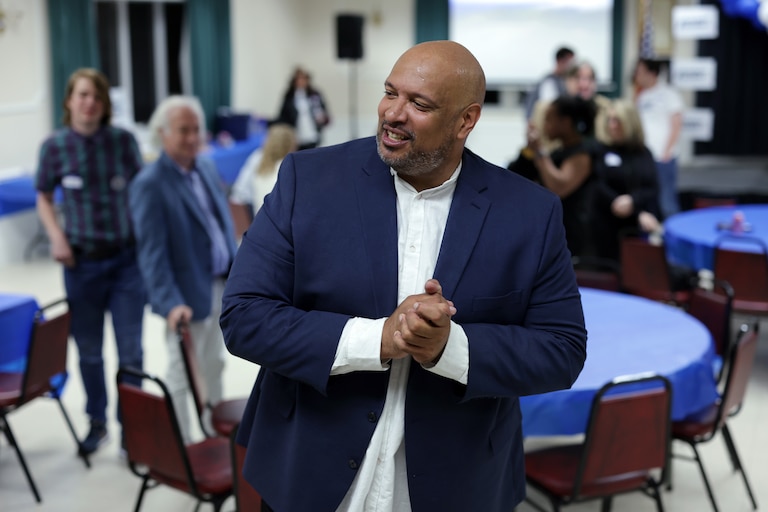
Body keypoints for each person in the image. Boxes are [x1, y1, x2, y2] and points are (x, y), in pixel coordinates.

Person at [220, 41, 587, 512]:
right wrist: (378, 340)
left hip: (458, 484)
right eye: (390, 92)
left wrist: (449, 348)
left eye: (419, 104)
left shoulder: (529, 213)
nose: (393, 113)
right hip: (307, 472)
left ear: (465, 121)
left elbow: (562, 348)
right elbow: (244, 316)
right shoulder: (306, 181)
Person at [35, 67, 145, 456]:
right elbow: (43, 196)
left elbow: (142, 190)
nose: (90, 102)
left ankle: (134, 430)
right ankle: (97, 423)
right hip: (80, 266)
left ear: (104, 105)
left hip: (127, 263)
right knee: (90, 352)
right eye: (83, 95)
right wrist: (56, 236)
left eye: (97, 97)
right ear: (69, 101)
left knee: (131, 352)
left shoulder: (123, 142)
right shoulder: (54, 147)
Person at [128, 95, 237, 442]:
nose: (192, 138)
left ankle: (214, 435)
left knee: (214, 363)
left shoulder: (204, 166)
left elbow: (219, 223)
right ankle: (182, 448)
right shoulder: (150, 184)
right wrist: (170, 303)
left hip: (220, 285)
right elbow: (151, 255)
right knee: (182, 373)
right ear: (162, 133)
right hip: (186, 297)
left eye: (196, 130)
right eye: (183, 131)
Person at [520, 95, 598, 259]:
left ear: (566, 122)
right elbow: (519, 175)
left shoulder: (583, 153)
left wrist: (540, 152)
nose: (545, 126)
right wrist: (529, 150)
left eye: (549, 119)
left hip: (576, 239)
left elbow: (558, 187)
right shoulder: (557, 154)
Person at [592, 99, 662, 262]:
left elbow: (652, 187)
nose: (612, 125)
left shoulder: (644, 153)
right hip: (608, 226)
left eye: (617, 120)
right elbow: (599, 184)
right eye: (610, 120)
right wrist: (634, 212)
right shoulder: (601, 150)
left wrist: (632, 201)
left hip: (639, 227)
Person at [633, 58, 684, 219]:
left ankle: (672, 238)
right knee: (648, 201)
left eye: (640, 71)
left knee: (667, 201)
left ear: (652, 73)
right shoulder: (641, 96)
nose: (637, 75)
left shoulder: (669, 94)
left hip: (663, 158)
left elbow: (676, 124)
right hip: (644, 157)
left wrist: (666, 152)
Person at [228, 123, 297, 237]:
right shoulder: (290, 168)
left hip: (259, 225)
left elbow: (239, 192)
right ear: (290, 145)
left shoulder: (256, 159)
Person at [275, 67, 330, 150]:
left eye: (303, 79)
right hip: (297, 136)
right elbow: (283, 116)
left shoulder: (314, 94)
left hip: (312, 134)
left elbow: (322, 111)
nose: (301, 81)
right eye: (298, 79)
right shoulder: (289, 96)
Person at [524, 46, 575, 121]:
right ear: (560, 61)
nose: (573, 66)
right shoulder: (549, 83)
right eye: (571, 63)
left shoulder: (563, 81)